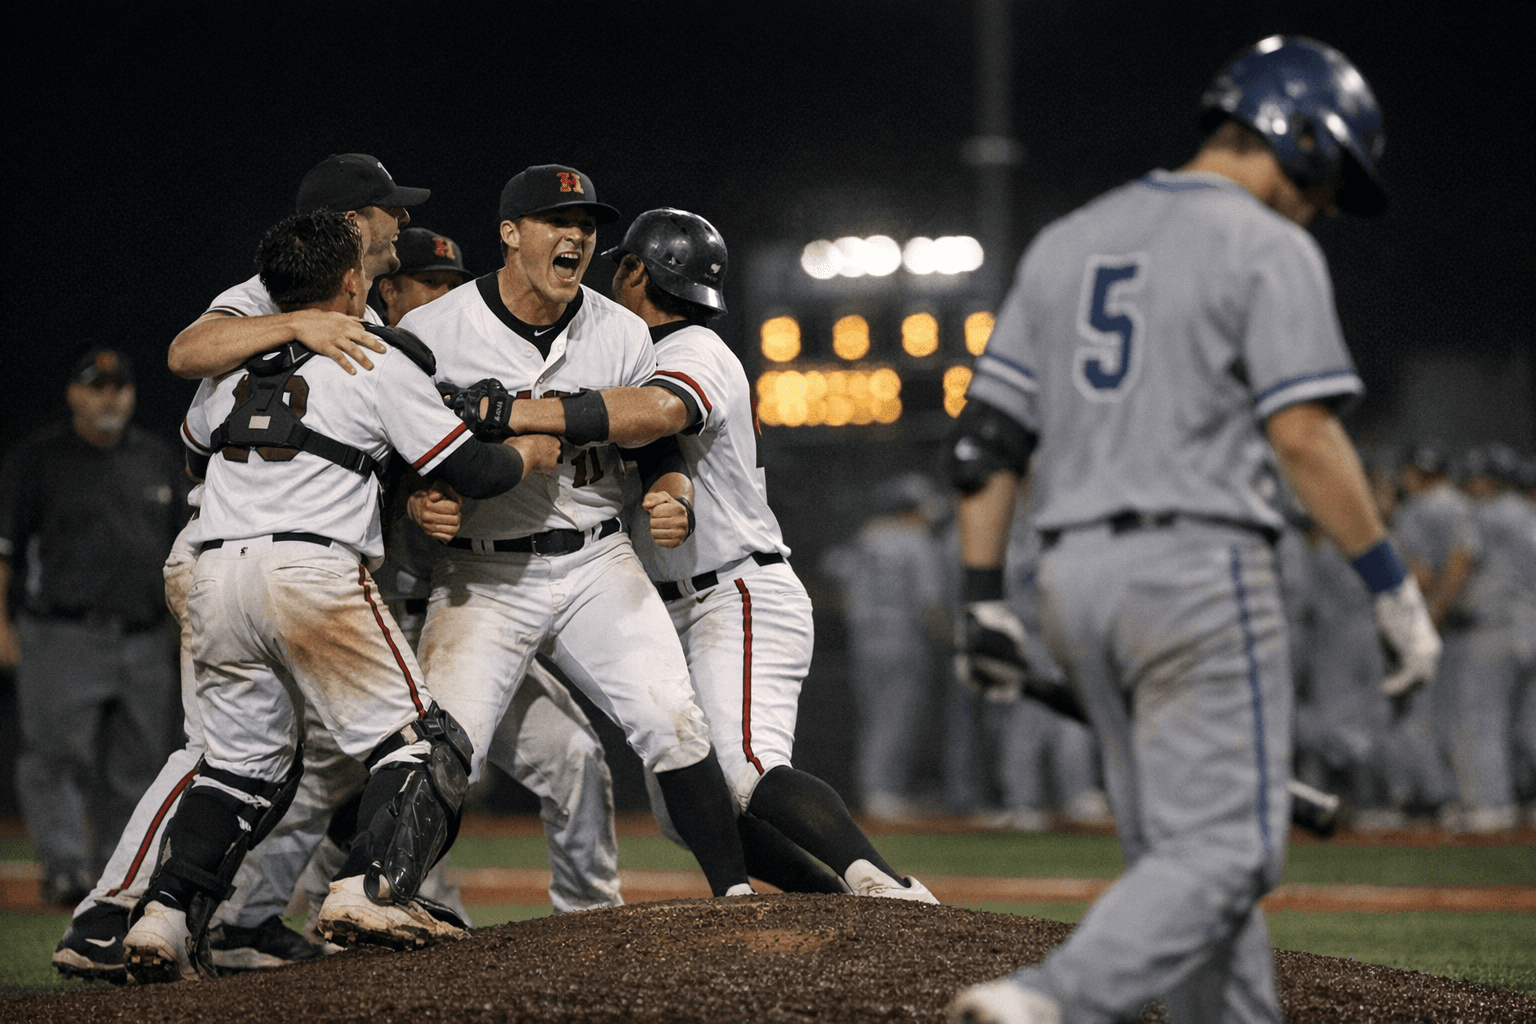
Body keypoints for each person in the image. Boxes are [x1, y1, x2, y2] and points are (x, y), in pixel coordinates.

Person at [943, 37, 1441, 1024]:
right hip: (1200, 572)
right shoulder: (1266, 244)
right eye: (1333, 171)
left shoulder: (1066, 239)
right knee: (1231, 850)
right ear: (1292, 133)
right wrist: (1391, 586)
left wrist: (982, 597)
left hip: (1073, 580)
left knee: (1183, 870)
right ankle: (1051, 1002)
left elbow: (986, 443)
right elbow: (1303, 434)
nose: (1330, 200)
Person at [121, 209, 563, 983]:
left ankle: (162, 917)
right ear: (354, 282)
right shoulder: (372, 354)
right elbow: (475, 473)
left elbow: (197, 454)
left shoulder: (229, 364)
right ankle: (372, 889)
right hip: (312, 571)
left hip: (217, 573)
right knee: (425, 741)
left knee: (236, 769)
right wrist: (529, 449)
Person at [53, 152, 431, 983]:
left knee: (262, 760)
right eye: (387, 210)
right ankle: (111, 914)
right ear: (348, 224)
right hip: (235, 545)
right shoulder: (265, 294)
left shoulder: (353, 306)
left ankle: (206, 918)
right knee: (220, 754)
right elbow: (187, 352)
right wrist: (295, 324)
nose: (399, 222)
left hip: (256, 553)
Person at [515, 208, 939, 899]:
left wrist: (521, 412)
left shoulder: (691, 349)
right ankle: (831, 902)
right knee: (687, 812)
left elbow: (657, 414)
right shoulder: (637, 354)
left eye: (620, 264)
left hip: (734, 592)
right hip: (676, 605)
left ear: (637, 272)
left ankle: (891, 889)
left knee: (743, 769)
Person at [400, 167, 754, 898]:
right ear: (509, 233)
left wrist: (669, 489)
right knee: (440, 749)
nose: (576, 236)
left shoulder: (620, 328)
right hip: (481, 573)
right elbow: (391, 448)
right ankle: (378, 901)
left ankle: (737, 898)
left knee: (675, 723)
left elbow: (652, 444)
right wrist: (417, 501)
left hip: (597, 562)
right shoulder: (431, 331)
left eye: (587, 225)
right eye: (557, 220)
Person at [0, 348, 184, 909]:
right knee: (54, 757)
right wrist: (2, 627)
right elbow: (4, 552)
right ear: (73, 394)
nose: (110, 396)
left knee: (136, 768)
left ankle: (115, 878)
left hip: (146, 638)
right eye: (96, 386)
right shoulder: (37, 460)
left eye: (119, 386)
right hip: (61, 635)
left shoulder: (157, 459)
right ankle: (63, 870)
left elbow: (185, 554)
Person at [823, 473, 950, 820]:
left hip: (865, 640)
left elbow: (836, 575)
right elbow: (930, 605)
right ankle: (883, 792)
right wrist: (952, 640)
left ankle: (875, 789)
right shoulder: (915, 540)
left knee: (874, 718)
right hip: (903, 640)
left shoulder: (865, 537)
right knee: (896, 718)